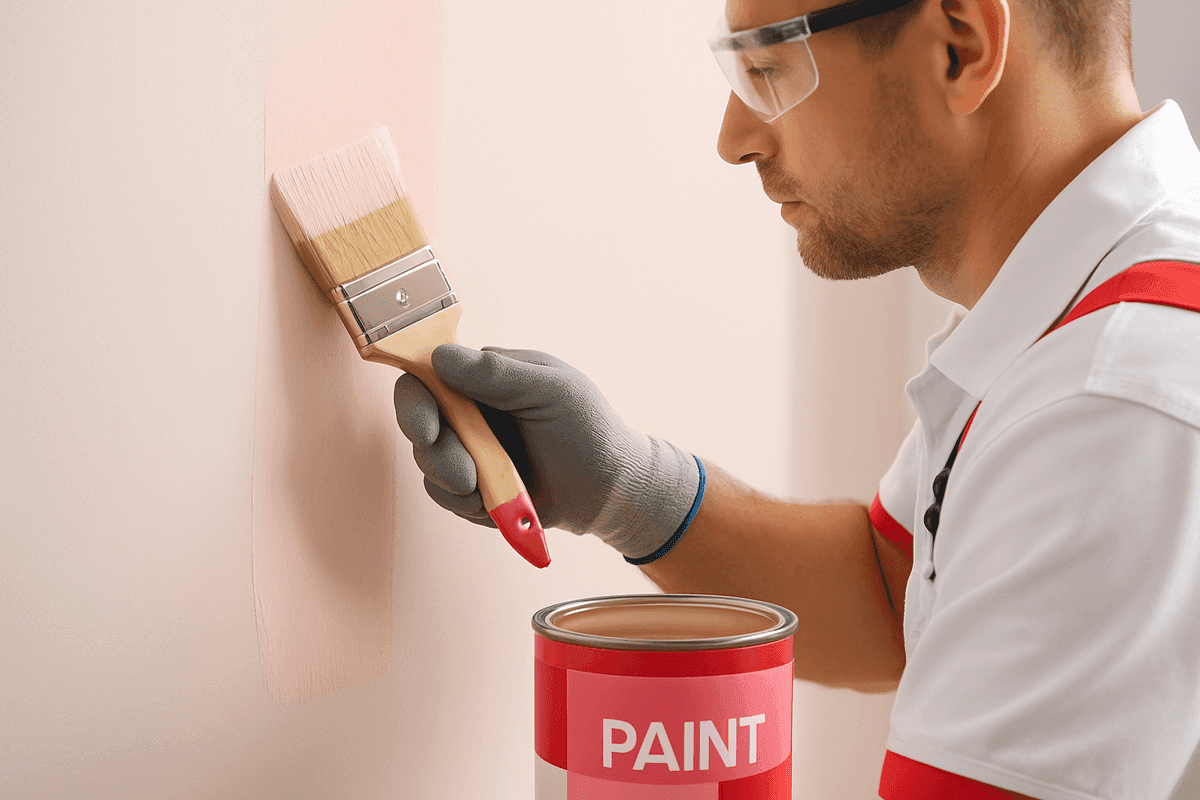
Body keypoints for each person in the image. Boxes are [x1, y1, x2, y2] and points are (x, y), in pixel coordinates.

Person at [393, 0, 1200, 796]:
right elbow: (891, 592)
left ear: (960, 47)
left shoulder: (1111, 401)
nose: (733, 138)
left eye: (768, 68)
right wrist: (628, 488)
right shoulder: (1074, 303)